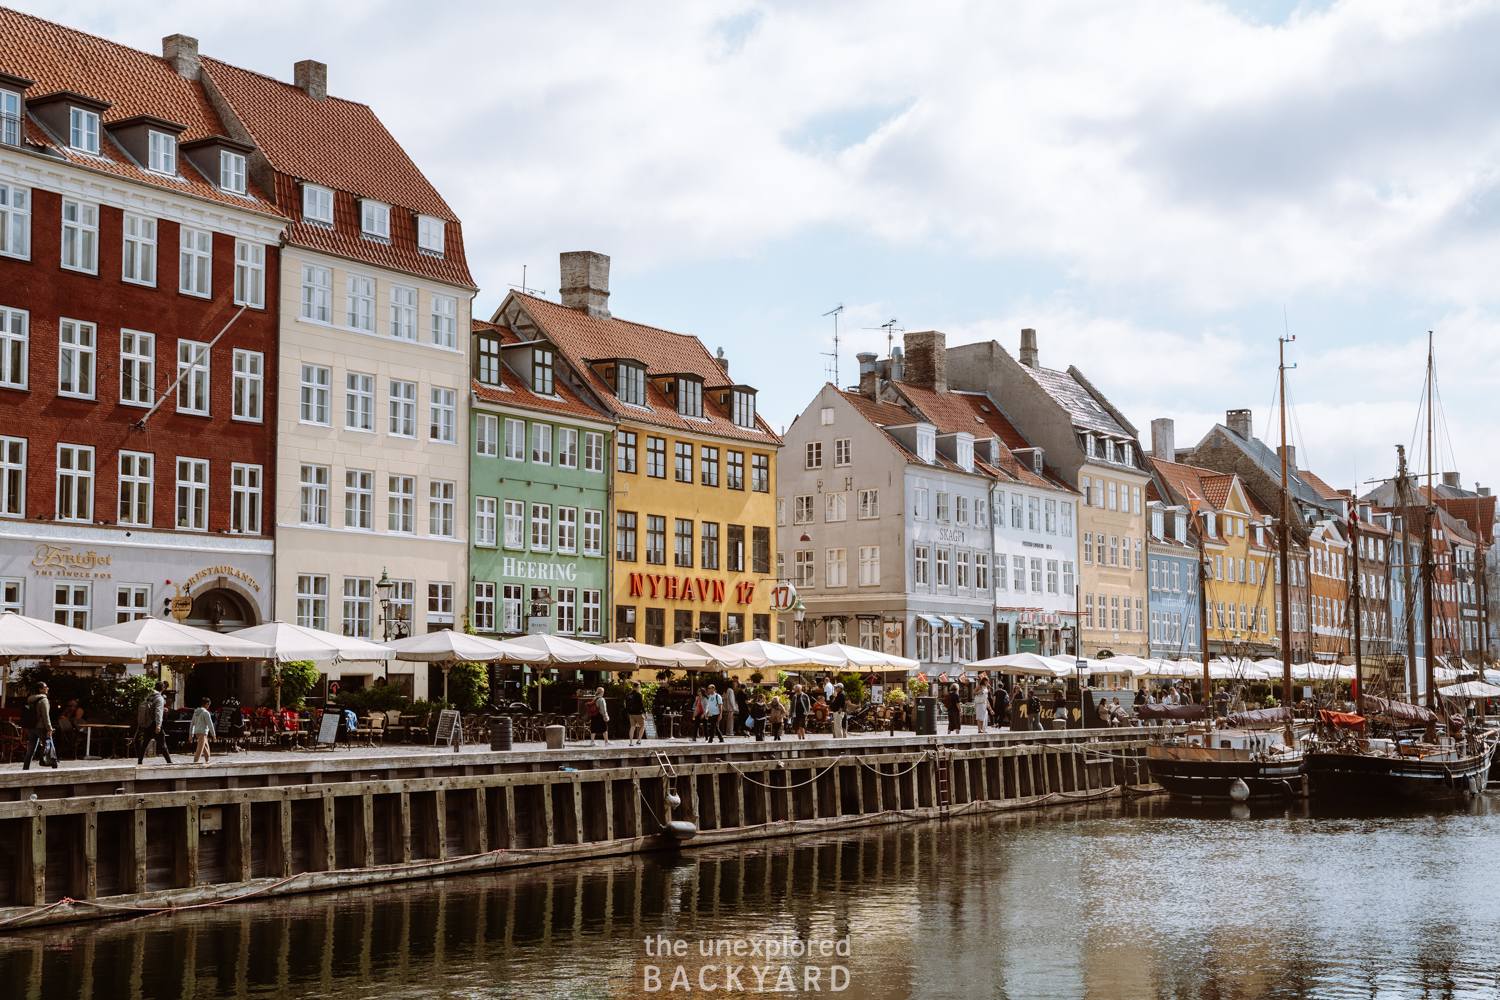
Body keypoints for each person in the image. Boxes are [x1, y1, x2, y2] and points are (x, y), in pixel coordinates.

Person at [136, 681, 174, 766]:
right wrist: (158, 725)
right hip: (154, 723)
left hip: (147, 723)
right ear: (163, 689)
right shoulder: (160, 698)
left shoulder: (149, 696)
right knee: (163, 744)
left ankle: (139, 762)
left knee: (144, 744)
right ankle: (169, 762)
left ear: (154, 687)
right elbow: (158, 712)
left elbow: (151, 709)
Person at [21, 682, 56, 770]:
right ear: (40, 689)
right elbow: (45, 716)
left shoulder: (30, 699)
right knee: (51, 747)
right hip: (41, 728)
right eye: (45, 687)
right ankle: (55, 768)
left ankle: (25, 768)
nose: (47, 688)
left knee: (31, 750)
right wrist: (49, 729)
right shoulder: (43, 700)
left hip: (31, 727)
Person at [190, 697, 217, 764]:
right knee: (200, 747)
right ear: (206, 704)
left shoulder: (196, 712)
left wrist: (191, 734)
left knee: (205, 746)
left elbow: (192, 724)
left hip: (197, 731)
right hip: (203, 731)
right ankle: (195, 761)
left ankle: (207, 759)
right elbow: (210, 724)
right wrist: (213, 734)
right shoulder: (206, 713)